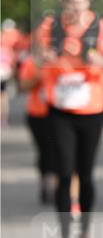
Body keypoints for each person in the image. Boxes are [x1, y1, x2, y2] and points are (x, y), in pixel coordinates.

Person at [35, 0, 103, 238]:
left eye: (81, 3)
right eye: (71, 3)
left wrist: (101, 62)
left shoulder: (102, 28)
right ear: (63, 3)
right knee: (64, 172)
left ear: (89, 3)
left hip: (91, 108)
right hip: (59, 108)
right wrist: (45, 58)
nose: (76, 8)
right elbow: (35, 61)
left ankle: (85, 233)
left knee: (85, 174)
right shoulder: (49, 27)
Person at [17, 49, 57, 203]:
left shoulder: (62, 62)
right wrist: (40, 72)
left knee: (57, 151)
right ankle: (45, 183)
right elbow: (24, 86)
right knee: (44, 151)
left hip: (59, 114)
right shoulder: (31, 63)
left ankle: (56, 184)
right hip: (37, 114)